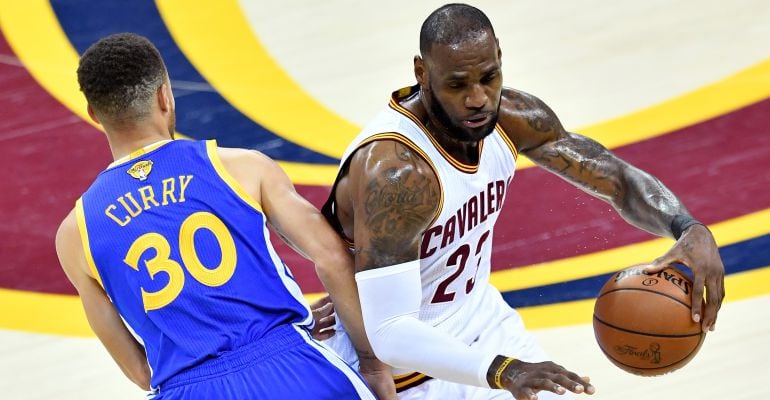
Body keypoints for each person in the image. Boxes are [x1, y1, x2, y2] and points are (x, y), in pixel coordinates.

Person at [321, 3, 726, 400]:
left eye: (489, 77)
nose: (478, 98)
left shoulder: (513, 117)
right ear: (422, 73)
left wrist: (687, 227)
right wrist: (504, 370)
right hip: (401, 372)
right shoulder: (397, 173)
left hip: (484, 325)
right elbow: (390, 330)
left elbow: (616, 179)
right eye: (458, 84)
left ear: (500, 55)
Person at [55, 32, 395, 399]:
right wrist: (370, 364)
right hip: (294, 371)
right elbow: (331, 257)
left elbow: (139, 371)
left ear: (93, 113)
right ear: (164, 96)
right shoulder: (242, 167)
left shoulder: (76, 234)